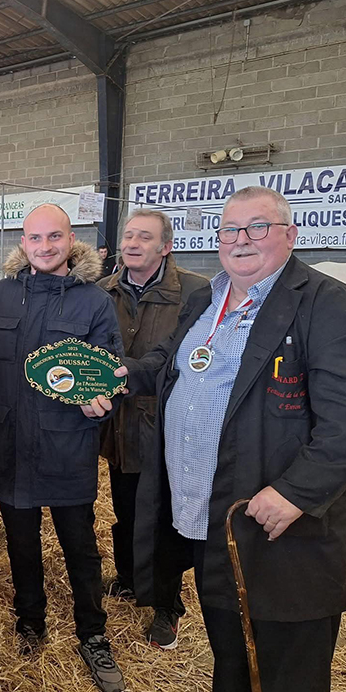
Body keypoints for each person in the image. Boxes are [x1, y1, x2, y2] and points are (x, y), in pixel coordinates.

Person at [103, 186, 346, 692]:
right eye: (230, 230)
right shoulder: (205, 300)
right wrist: (118, 376)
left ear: (290, 235)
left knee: (286, 676)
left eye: (258, 227)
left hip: (281, 533)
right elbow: (168, 363)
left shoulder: (328, 304)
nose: (241, 240)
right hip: (213, 524)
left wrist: (297, 492)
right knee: (232, 662)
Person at [0, 203, 126, 692]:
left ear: (70, 240)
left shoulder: (94, 303)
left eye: (54, 237)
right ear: (24, 243)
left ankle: (93, 633)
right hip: (8, 445)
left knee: (79, 545)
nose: (45, 246)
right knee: (20, 542)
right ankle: (30, 619)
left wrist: (99, 405)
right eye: (36, 238)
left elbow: (109, 374)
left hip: (66, 446)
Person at [97, 209, 208, 650]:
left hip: (166, 424)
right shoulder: (104, 291)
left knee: (163, 517)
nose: (132, 243)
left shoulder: (195, 292)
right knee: (125, 507)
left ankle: (167, 605)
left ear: (166, 247)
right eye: (128, 236)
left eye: (144, 237)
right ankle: (128, 578)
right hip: (118, 422)